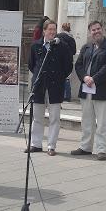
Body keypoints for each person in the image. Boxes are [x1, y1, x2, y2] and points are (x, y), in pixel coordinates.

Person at [71, 21, 106, 160]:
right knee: (87, 120)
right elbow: (78, 65)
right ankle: (85, 147)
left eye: (98, 29)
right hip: (86, 90)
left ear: (102, 30)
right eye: (93, 30)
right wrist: (85, 77)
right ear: (90, 32)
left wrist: (94, 79)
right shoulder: (86, 47)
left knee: (102, 123)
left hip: (102, 91)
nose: (96, 31)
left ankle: (102, 150)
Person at [25, 20, 73, 156]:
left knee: (54, 118)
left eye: (54, 29)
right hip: (39, 86)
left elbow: (68, 65)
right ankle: (36, 144)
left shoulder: (62, 46)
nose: (52, 32)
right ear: (44, 31)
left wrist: (59, 77)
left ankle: (51, 146)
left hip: (55, 87)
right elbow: (31, 65)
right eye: (50, 29)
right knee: (37, 117)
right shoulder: (36, 45)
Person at [57, 22, 77, 102]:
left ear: (62, 28)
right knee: (67, 78)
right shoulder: (71, 38)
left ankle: (59, 95)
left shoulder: (58, 36)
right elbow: (74, 51)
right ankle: (67, 96)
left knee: (58, 79)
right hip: (68, 61)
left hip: (58, 60)